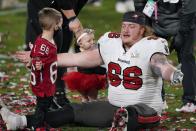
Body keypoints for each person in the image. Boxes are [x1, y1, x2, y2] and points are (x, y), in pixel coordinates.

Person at [5, 11, 183, 130]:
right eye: (124, 25)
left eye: (132, 26)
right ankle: (20, 121)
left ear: (142, 30)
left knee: (133, 112)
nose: (125, 29)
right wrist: (41, 59)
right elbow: (76, 58)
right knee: (74, 110)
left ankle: (124, 120)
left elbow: (160, 64)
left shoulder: (150, 45)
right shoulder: (112, 44)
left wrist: (172, 72)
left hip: (145, 110)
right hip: (114, 108)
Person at [133, 0, 196, 112]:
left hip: (184, 20)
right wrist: (147, 27)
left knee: (186, 57)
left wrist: (182, 33)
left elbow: (190, 7)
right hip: (157, 23)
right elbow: (140, 4)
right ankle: (159, 100)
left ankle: (190, 101)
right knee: (153, 58)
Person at [25, 0, 88, 107]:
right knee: (44, 53)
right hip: (45, 10)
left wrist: (71, 18)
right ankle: (45, 98)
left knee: (62, 51)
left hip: (63, 14)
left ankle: (59, 92)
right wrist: (73, 18)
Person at [28, 7, 62, 130]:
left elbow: (35, 53)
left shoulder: (45, 39)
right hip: (43, 84)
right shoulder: (43, 45)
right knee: (42, 107)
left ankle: (42, 123)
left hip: (48, 81)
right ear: (55, 25)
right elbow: (37, 57)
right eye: (60, 21)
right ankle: (37, 126)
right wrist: (37, 63)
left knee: (46, 105)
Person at [62, 28, 107, 102]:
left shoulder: (95, 50)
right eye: (89, 41)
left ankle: (92, 101)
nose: (92, 42)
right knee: (80, 88)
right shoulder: (78, 50)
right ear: (80, 44)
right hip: (82, 76)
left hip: (93, 76)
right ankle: (84, 98)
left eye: (93, 39)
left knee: (92, 94)